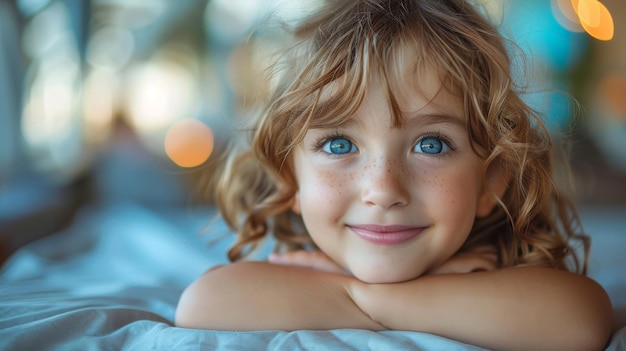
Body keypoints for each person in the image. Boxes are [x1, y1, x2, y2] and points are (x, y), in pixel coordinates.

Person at [176, 0, 613, 349]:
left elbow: (581, 320)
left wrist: (362, 298)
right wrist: (371, 296)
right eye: (339, 145)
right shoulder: (286, 267)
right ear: (289, 179)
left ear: (491, 180)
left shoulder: (502, 271)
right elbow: (203, 304)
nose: (383, 191)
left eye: (432, 144)